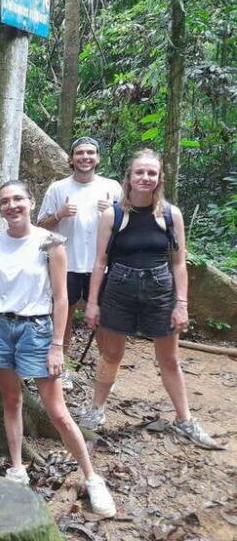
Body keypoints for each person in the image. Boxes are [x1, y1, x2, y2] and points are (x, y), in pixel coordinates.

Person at [0, 181, 116, 517]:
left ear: (31, 202)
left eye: (18, 199)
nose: (12, 206)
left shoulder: (50, 241)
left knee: (58, 412)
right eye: (5, 201)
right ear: (0, 207)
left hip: (35, 330)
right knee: (11, 401)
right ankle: (17, 469)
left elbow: (62, 298)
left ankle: (92, 478)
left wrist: (56, 346)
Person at [81, 149, 220, 449]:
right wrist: (92, 303)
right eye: (139, 172)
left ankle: (185, 420)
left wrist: (181, 304)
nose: (145, 178)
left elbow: (179, 263)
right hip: (119, 289)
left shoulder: (170, 215)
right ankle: (95, 410)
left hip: (160, 290)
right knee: (111, 355)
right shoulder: (113, 215)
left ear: (159, 179)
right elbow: (100, 262)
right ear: (129, 177)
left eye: (151, 173)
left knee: (169, 358)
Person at [37, 137, 122, 390]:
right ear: (72, 159)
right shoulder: (58, 188)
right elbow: (40, 225)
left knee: (104, 321)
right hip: (67, 265)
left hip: (101, 265)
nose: (85, 157)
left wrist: (115, 212)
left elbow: (128, 224)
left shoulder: (112, 187)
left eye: (91, 152)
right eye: (80, 153)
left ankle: (105, 373)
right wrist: (59, 214)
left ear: (98, 158)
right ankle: (61, 369)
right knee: (63, 317)